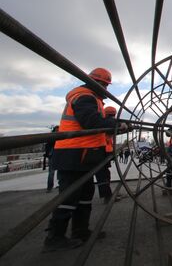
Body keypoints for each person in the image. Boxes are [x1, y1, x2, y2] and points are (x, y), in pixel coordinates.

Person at [43, 67, 129, 252]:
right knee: (69, 195)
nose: (106, 89)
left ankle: (80, 231)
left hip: (84, 154)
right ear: (96, 83)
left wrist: (117, 126)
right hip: (73, 154)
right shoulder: (84, 97)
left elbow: (95, 123)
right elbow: (91, 121)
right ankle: (54, 237)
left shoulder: (91, 98)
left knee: (85, 195)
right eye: (105, 85)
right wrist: (117, 125)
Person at [95, 106, 123, 204]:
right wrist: (121, 124)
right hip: (101, 150)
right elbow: (113, 127)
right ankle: (107, 196)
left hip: (101, 150)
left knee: (104, 174)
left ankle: (108, 194)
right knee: (103, 175)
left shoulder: (105, 122)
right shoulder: (108, 122)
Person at [43, 125, 59, 192]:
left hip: (52, 154)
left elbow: (47, 146)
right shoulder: (60, 136)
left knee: (51, 172)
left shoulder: (50, 137)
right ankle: (61, 184)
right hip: (58, 153)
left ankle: (49, 188)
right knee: (60, 170)